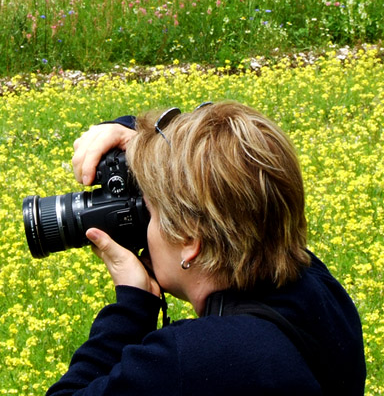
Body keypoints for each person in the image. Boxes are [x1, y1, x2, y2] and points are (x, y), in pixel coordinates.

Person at [46, 101, 365, 395]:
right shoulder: (320, 290)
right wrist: (135, 140)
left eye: (150, 214)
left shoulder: (195, 359)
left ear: (189, 241)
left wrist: (132, 306)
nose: (144, 227)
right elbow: (241, 163)